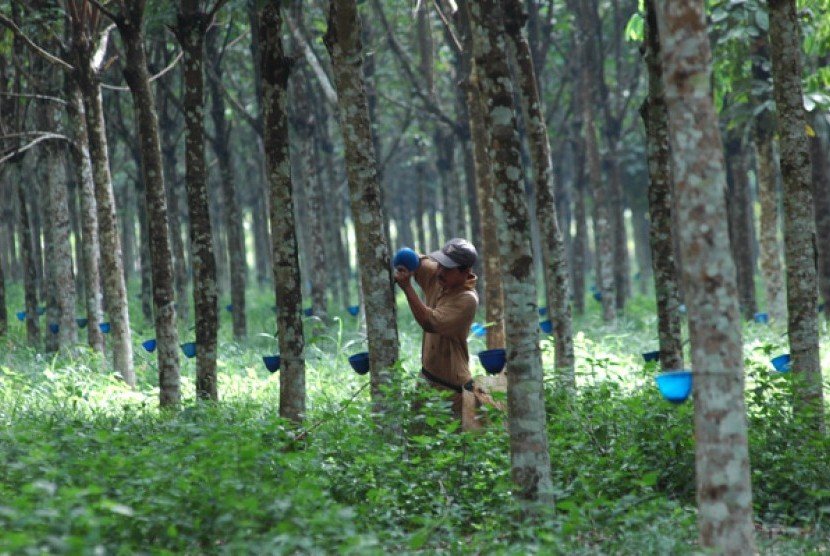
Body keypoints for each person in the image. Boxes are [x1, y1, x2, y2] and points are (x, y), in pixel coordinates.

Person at [394, 238, 498, 430]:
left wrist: (407, 287)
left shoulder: (466, 300)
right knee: (416, 441)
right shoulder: (439, 274)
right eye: (440, 264)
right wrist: (403, 260)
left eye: (448, 269)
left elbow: (430, 322)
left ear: (465, 272)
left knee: (452, 447)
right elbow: (413, 258)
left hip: (452, 389)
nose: (440, 272)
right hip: (426, 379)